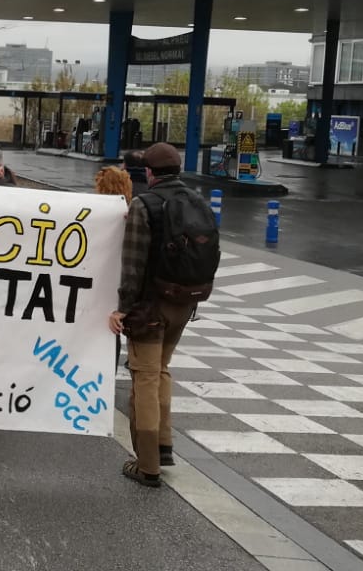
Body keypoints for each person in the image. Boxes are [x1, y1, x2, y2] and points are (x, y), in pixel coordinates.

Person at [108, 142, 220, 488]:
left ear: (150, 173)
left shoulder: (146, 205)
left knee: (143, 376)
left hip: (150, 306)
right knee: (161, 370)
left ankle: (147, 465)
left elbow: (134, 263)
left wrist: (123, 309)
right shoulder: (197, 201)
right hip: (185, 302)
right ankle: (164, 446)